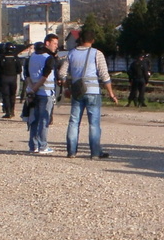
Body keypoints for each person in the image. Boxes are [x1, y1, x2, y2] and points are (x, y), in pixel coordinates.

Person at [58, 28, 118, 158]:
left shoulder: (71, 53)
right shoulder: (97, 53)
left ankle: (71, 151)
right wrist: (111, 93)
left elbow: (62, 73)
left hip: (77, 91)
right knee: (94, 123)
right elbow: (104, 76)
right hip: (93, 91)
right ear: (93, 40)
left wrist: (67, 88)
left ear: (80, 39)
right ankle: (95, 153)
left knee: (74, 122)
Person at [25, 33, 61, 155]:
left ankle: (33, 145)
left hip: (32, 93)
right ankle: (43, 146)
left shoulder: (31, 57)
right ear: (47, 43)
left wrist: (31, 89)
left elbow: (27, 75)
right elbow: (44, 77)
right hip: (45, 93)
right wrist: (35, 88)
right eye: (55, 43)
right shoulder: (48, 58)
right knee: (44, 120)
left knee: (34, 119)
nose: (56, 46)